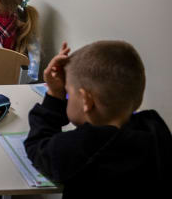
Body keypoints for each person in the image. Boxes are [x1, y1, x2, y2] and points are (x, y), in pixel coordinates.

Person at [24, 40, 172, 197]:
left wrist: (54, 95)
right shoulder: (155, 129)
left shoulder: (83, 146)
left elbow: (37, 146)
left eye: (67, 92)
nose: (66, 96)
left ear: (86, 100)